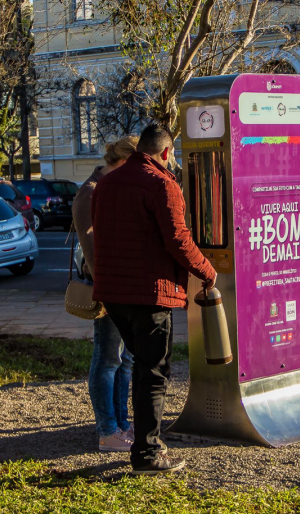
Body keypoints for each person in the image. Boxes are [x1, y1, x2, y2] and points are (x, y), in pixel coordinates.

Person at [91, 123, 216, 475]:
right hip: (151, 294)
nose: (172, 160)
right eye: (172, 153)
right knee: (153, 373)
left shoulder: (107, 183)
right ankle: (147, 454)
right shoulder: (162, 184)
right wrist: (207, 271)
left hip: (114, 295)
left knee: (141, 367)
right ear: (163, 152)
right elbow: (178, 240)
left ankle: (142, 442)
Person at [72, 136, 139, 453]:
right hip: (109, 288)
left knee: (124, 359)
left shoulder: (111, 186)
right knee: (108, 359)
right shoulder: (91, 192)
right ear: (125, 161)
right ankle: (108, 430)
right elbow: (92, 253)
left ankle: (122, 424)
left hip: (122, 285)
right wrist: (112, 291)